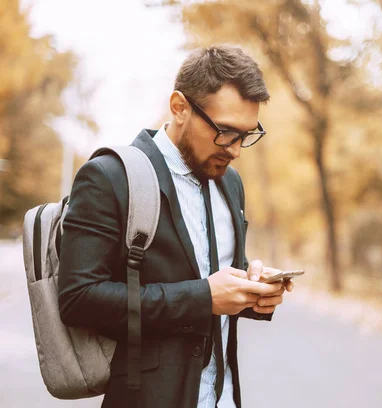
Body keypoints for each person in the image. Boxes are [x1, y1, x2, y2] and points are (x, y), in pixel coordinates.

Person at [57, 45, 293, 408]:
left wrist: (254, 291)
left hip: (223, 398)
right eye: (226, 132)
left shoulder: (231, 183)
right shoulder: (109, 177)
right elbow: (78, 300)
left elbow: (214, 281)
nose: (235, 151)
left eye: (247, 135)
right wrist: (202, 298)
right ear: (179, 107)